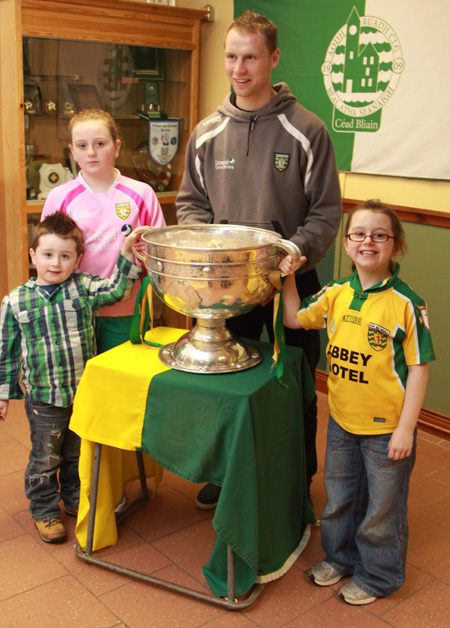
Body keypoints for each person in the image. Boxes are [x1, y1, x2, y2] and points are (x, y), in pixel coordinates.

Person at [176, 11, 342, 509]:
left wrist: (290, 252)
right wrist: (215, 251)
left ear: (272, 58)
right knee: (229, 384)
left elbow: (326, 212)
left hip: (294, 282)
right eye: (231, 56)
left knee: (295, 384)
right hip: (226, 286)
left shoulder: (307, 130)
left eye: (250, 57)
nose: (239, 68)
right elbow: (190, 205)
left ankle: (298, 482)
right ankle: (228, 476)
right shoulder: (206, 133)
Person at [279, 200, 435, 605]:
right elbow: (294, 319)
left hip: (388, 430)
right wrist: (289, 279)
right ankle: (340, 558)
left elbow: (419, 368)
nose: (368, 241)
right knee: (340, 497)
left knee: (383, 509)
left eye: (379, 234)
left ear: (395, 246)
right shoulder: (335, 294)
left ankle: (379, 576)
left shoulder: (406, 303)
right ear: (346, 243)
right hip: (343, 422)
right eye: (359, 233)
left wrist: (406, 428)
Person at [0, 212, 144, 544]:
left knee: (77, 452)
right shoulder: (15, 302)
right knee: (46, 455)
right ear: (33, 255)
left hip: (82, 393)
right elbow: (5, 352)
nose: (55, 263)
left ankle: (75, 499)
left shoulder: (83, 287)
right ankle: (44, 508)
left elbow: (118, 290)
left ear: (78, 259)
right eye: (48, 255)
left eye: (65, 256)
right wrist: (3, 394)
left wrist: (125, 254)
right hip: (44, 399)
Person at [41, 108, 166, 353]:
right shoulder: (60, 197)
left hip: (127, 308)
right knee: (80, 380)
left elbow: (161, 254)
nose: (91, 152)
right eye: (82, 145)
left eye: (100, 143)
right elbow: (47, 256)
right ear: (72, 151)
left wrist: (145, 250)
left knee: (122, 379)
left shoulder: (141, 194)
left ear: (116, 147)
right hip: (73, 308)